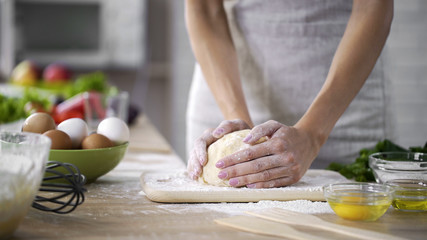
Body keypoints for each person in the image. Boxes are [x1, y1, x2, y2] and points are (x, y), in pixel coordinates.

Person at [185, 0, 394, 188]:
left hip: (343, 97)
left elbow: (372, 7)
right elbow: (203, 7)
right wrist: (240, 136)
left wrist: (312, 135)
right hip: (226, 82)